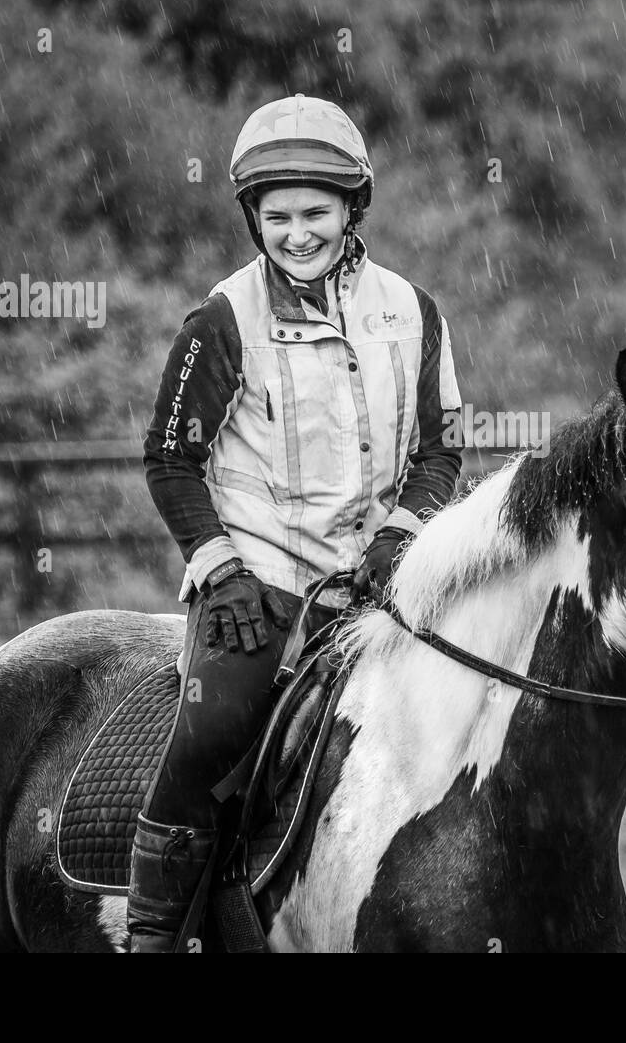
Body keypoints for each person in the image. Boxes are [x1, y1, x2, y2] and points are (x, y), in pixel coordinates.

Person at [129, 94, 463, 952]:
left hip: (382, 581)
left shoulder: (414, 313)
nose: (298, 233)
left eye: (316, 212)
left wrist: (400, 538)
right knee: (213, 731)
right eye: (278, 217)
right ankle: (153, 935)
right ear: (254, 218)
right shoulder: (221, 321)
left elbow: (440, 456)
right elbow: (171, 459)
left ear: (354, 210)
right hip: (259, 586)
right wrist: (219, 567)